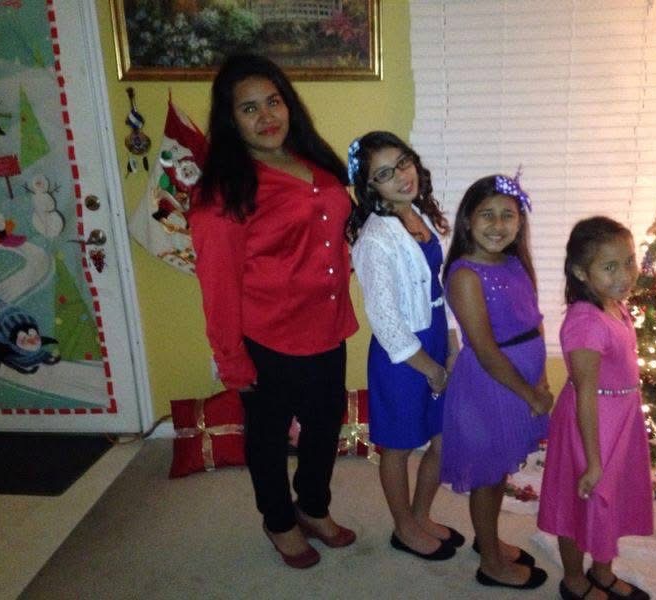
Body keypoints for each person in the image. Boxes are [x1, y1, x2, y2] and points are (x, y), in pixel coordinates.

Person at [188, 54, 359, 570]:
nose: (266, 116)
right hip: (269, 336)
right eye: (249, 108)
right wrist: (231, 358)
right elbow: (217, 284)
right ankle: (279, 520)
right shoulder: (224, 192)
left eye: (274, 102)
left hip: (328, 325)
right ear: (230, 119)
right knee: (267, 436)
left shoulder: (317, 163)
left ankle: (313, 507)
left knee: (324, 427)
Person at [347, 131, 464, 561]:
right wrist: (429, 367)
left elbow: (439, 289)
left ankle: (420, 515)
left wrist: (451, 345)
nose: (400, 176)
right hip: (402, 358)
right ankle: (404, 528)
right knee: (397, 448)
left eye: (402, 163)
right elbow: (385, 320)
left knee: (441, 439)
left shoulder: (421, 216)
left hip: (434, 337)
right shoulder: (374, 240)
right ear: (370, 187)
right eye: (384, 174)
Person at [440, 173, 553, 589]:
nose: (498, 224)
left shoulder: (514, 263)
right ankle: (490, 563)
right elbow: (486, 350)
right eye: (487, 214)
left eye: (508, 215)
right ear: (467, 221)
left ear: (520, 223)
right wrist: (529, 394)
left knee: (502, 468)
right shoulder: (465, 275)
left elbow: (535, 322)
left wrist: (541, 380)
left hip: (522, 380)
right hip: (491, 387)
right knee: (487, 478)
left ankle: (488, 541)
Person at [537, 216, 653, 600]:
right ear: (580, 272)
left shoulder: (613, 305)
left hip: (620, 418)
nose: (625, 274)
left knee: (611, 502)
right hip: (591, 426)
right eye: (610, 267)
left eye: (629, 261)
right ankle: (574, 578)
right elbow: (586, 392)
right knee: (578, 504)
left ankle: (602, 572)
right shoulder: (585, 323)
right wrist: (593, 461)